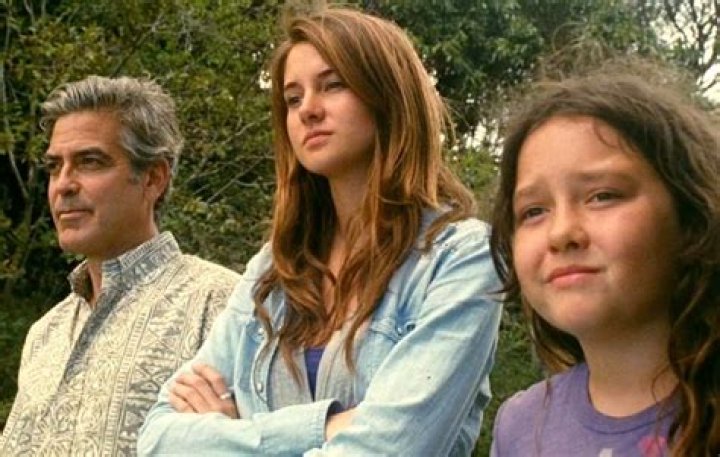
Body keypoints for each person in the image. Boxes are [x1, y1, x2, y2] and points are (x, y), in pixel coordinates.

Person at [138, 6, 502, 456]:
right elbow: (157, 438)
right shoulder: (274, 270)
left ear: (387, 95)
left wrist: (235, 431)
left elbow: (389, 450)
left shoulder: (461, 258)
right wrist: (324, 427)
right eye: (292, 99)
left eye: (333, 85)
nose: (308, 110)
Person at [0, 76, 241, 456]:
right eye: (54, 167)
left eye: (89, 162)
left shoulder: (222, 304)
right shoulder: (45, 333)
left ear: (153, 178)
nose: (63, 185)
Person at [489, 66, 719, 456]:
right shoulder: (520, 427)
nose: (562, 232)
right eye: (533, 211)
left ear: (690, 215)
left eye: (603, 196)